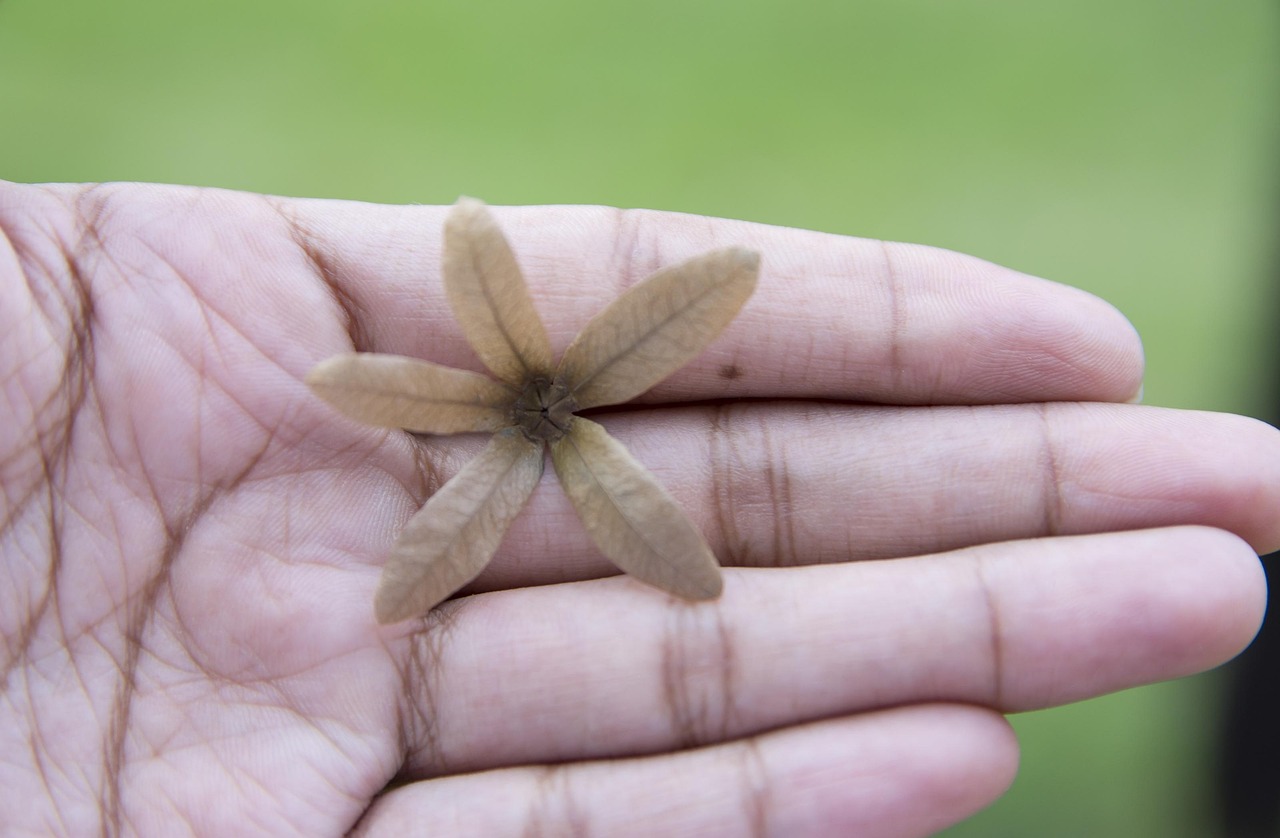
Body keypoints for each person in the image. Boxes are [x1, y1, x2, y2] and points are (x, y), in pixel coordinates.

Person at [1, 180, 1275, 836]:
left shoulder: (568, 419)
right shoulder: (483, 414)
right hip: (517, 433)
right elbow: (366, 389)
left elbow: (696, 294)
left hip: (552, 434)